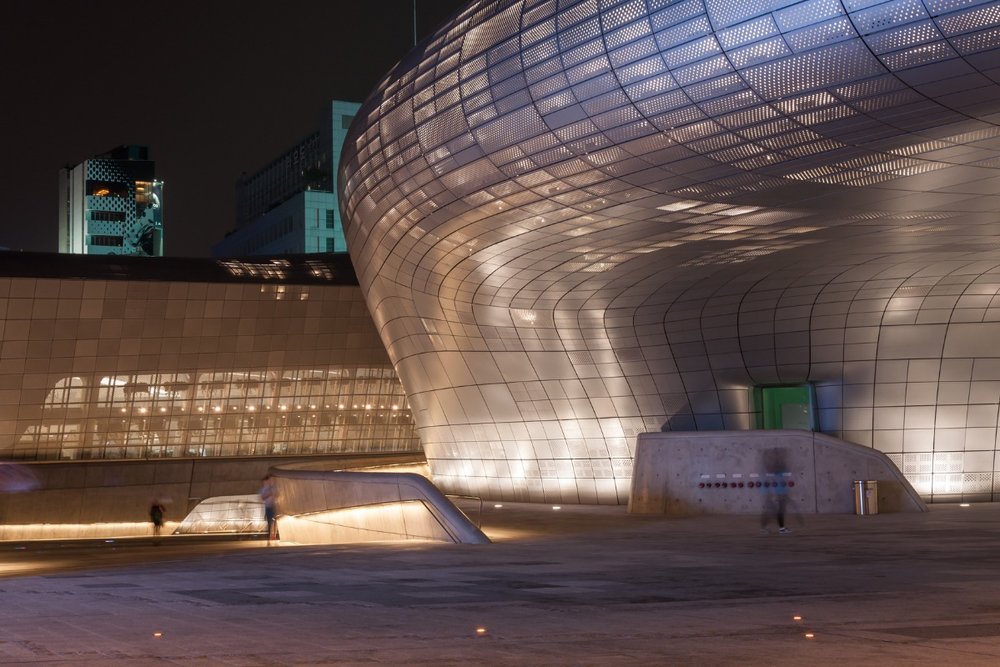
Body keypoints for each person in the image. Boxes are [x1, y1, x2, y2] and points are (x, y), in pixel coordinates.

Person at [759, 448, 792, 535]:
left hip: (778, 489)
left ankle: (765, 527)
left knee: (771, 509)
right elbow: (775, 473)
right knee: (779, 509)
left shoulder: (773, 464)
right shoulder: (776, 464)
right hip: (778, 490)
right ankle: (781, 528)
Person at [259, 475, 278, 545]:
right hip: (268, 507)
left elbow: (276, 495)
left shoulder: (273, 487)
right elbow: (262, 498)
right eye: (268, 481)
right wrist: (269, 494)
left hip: (274, 506)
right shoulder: (263, 490)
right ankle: (269, 538)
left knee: (275, 520)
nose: (269, 482)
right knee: (269, 522)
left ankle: (274, 535)